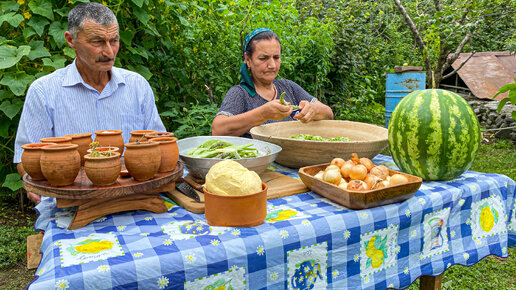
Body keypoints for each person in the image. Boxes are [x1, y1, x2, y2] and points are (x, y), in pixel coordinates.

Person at [13, 2, 166, 203]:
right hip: (71, 204)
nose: (109, 52)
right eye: (97, 42)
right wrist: (41, 189)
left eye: (114, 40)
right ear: (71, 40)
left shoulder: (137, 86)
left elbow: (160, 145)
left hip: (135, 199)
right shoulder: (44, 91)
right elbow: (26, 160)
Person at [212, 28, 333, 137]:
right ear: (248, 60)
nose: (272, 65)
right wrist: (263, 114)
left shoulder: (288, 87)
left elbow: (328, 114)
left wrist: (313, 110)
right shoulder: (240, 93)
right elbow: (218, 130)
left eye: (276, 57)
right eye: (263, 58)